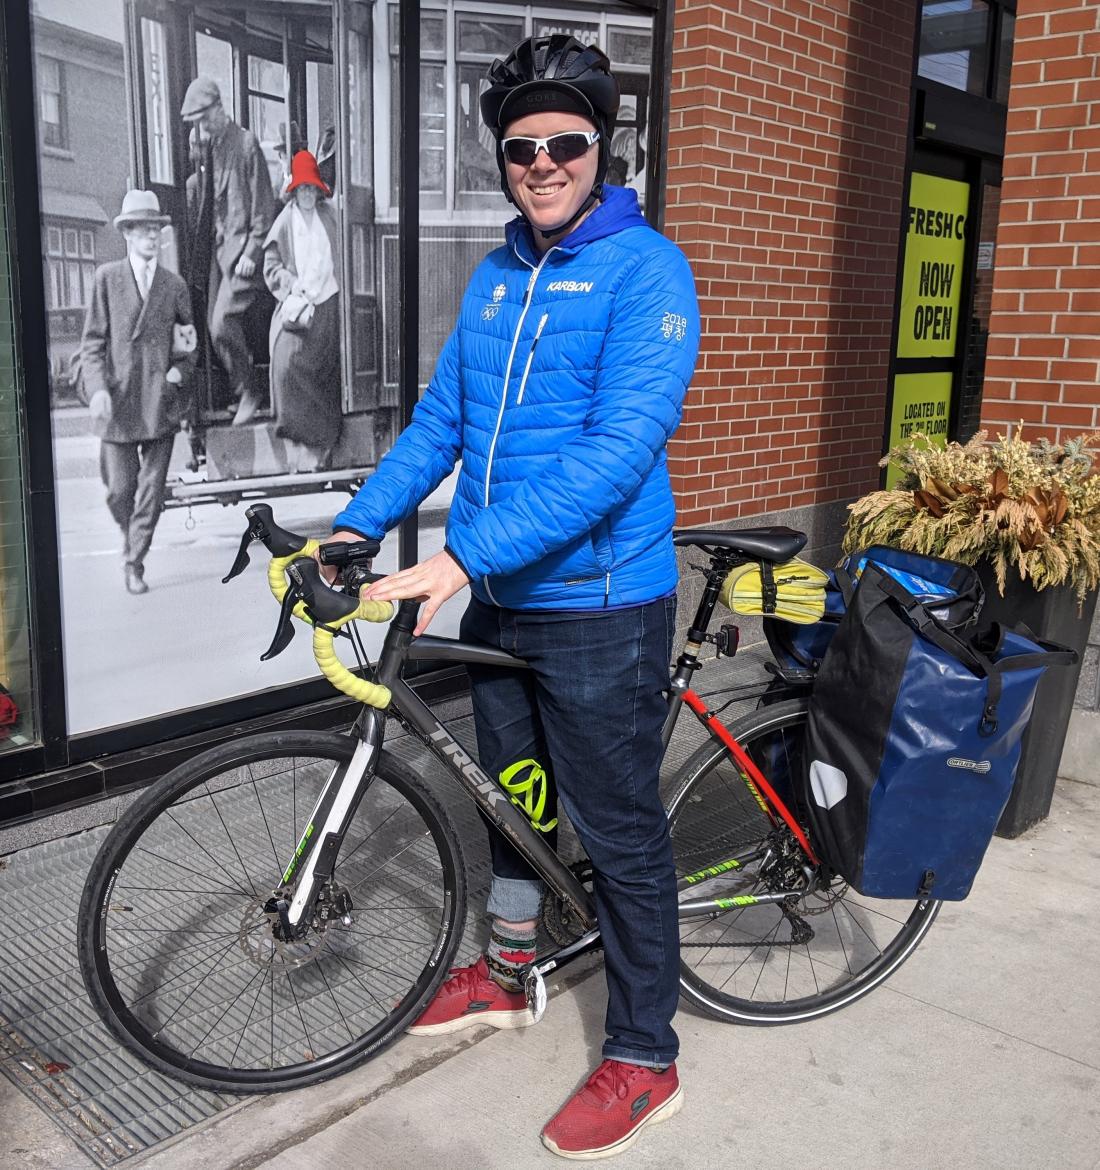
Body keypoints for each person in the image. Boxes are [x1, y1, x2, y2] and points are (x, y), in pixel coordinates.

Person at [325, 35, 699, 1160]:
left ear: (601, 147)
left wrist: (461, 557)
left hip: (597, 606)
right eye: (520, 145)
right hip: (501, 600)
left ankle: (644, 1055)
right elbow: (441, 422)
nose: (540, 161)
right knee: (512, 797)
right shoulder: (495, 278)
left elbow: (617, 451)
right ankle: (510, 965)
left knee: (617, 829)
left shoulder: (648, 272)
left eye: (564, 142)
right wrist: (354, 523)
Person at [80, 190, 196, 595]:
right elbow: (92, 344)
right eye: (143, 230)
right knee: (119, 492)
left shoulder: (174, 285)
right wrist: (96, 391)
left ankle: (134, 562)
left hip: (160, 405)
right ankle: (131, 537)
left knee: (151, 494)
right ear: (127, 233)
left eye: (156, 230)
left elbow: (188, 347)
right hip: (119, 405)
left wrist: (179, 374)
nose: (152, 238)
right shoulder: (106, 280)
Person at [180, 76, 276, 425]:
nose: (203, 128)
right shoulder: (215, 148)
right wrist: (199, 155)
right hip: (223, 258)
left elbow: (264, 210)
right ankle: (243, 388)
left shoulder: (246, 144)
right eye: (198, 124)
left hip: (246, 259)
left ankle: (249, 390)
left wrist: (252, 252)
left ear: (220, 109)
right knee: (210, 323)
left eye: (205, 119)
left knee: (221, 324)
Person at [262, 151, 342, 471]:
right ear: (293, 192)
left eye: (312, 189)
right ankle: (299, 441)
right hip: (299, 307)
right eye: (303, 189)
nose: (308, 195)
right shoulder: (284, 222)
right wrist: (291, 285)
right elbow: (271, 267)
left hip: (328, 304)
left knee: (327, 370)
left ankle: (325, 444)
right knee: (285, 364)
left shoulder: (329, 216)